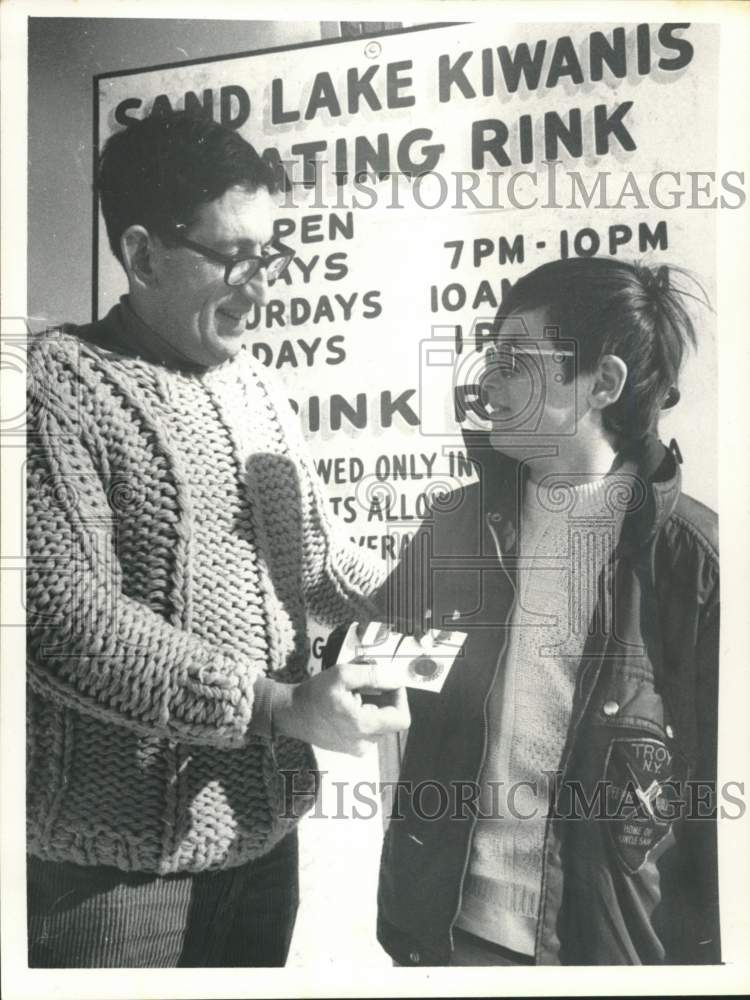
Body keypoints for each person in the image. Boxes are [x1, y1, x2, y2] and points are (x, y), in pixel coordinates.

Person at [25, 109, 409, 968]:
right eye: (233, 255)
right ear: (141, 253)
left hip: (260, 839)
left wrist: (424, 589)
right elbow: (58, 620)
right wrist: (276, 707)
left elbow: (314, 563)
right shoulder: (51, 386)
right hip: (109, 872)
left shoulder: (259, 389)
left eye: (268, 254)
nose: (258, 284)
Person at [370, 257, 720, 965]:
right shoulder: (456, 526)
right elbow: (367, 664)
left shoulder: (691, 558)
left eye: (514, 360)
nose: (486, 380)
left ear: (604, 383)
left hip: (606, 951)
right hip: (447, 936)